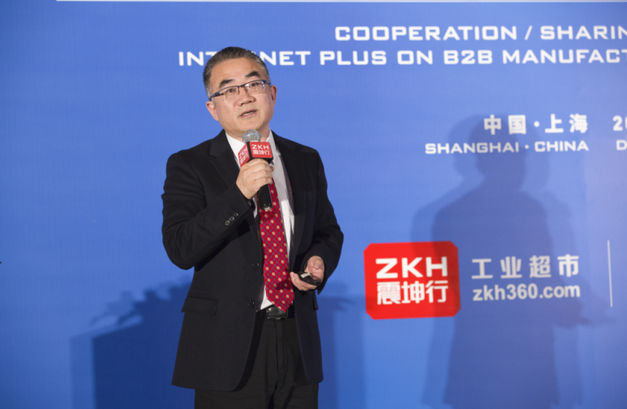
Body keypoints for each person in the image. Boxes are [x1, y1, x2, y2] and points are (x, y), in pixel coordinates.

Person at [161, 46, 343, 408]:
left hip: (296, 337)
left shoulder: (305, 158)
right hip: (227, 346)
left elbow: (327, 231)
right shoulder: (190, 164)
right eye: (229, 89)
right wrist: (239, 194)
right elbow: (181, 248)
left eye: (253, 84)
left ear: (271, 93)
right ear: (213, 108)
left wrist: (319, 260)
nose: (244, 96)